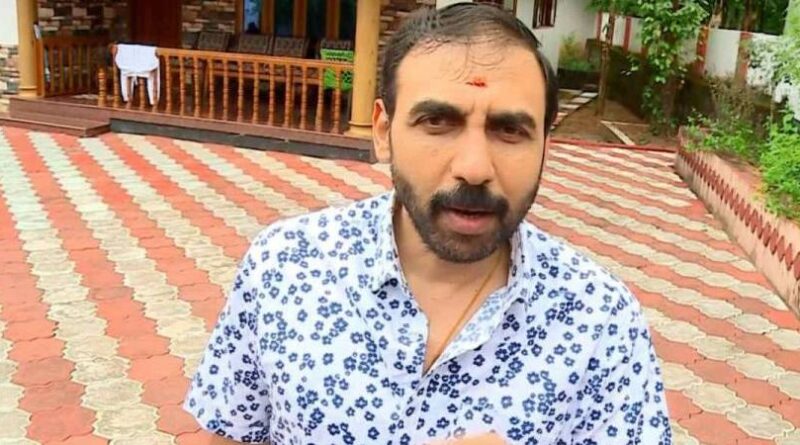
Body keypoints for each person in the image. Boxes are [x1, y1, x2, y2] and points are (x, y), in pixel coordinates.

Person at [183, 3, 672, 444]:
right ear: (383, 132)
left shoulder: (600, 321)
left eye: (509, 130)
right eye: (437, 122)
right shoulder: (285, 268)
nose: (474, 168)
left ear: (546, 142)